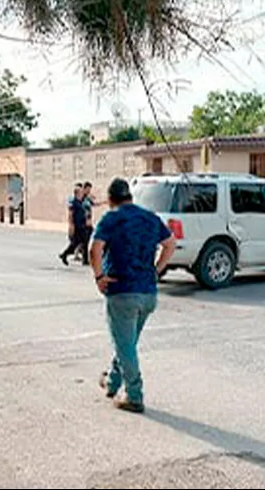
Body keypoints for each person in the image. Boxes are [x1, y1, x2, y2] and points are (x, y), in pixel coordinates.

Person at [89, 177, 176, 413]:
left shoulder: (112, 218)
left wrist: (98, 277)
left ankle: (134, 394)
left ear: (110, 200)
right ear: (130, 196)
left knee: (125, 345)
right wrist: (157, 270)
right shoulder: (149, 217)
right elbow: (170, 244)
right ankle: (112, 381)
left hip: (122, 291)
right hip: (148, 292)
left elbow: (94, 249)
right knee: (126, 342)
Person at [59, 184, 89, 266]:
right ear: (77, 194)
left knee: (82, 242)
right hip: (78, 227)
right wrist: (71, 226)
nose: (82, 194)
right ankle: (65, 254)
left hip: (82, 226)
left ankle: (84, 259)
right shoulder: (74, 203)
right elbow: (70, 215)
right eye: (81, 192)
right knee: (77, 243)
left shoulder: (80, 202)